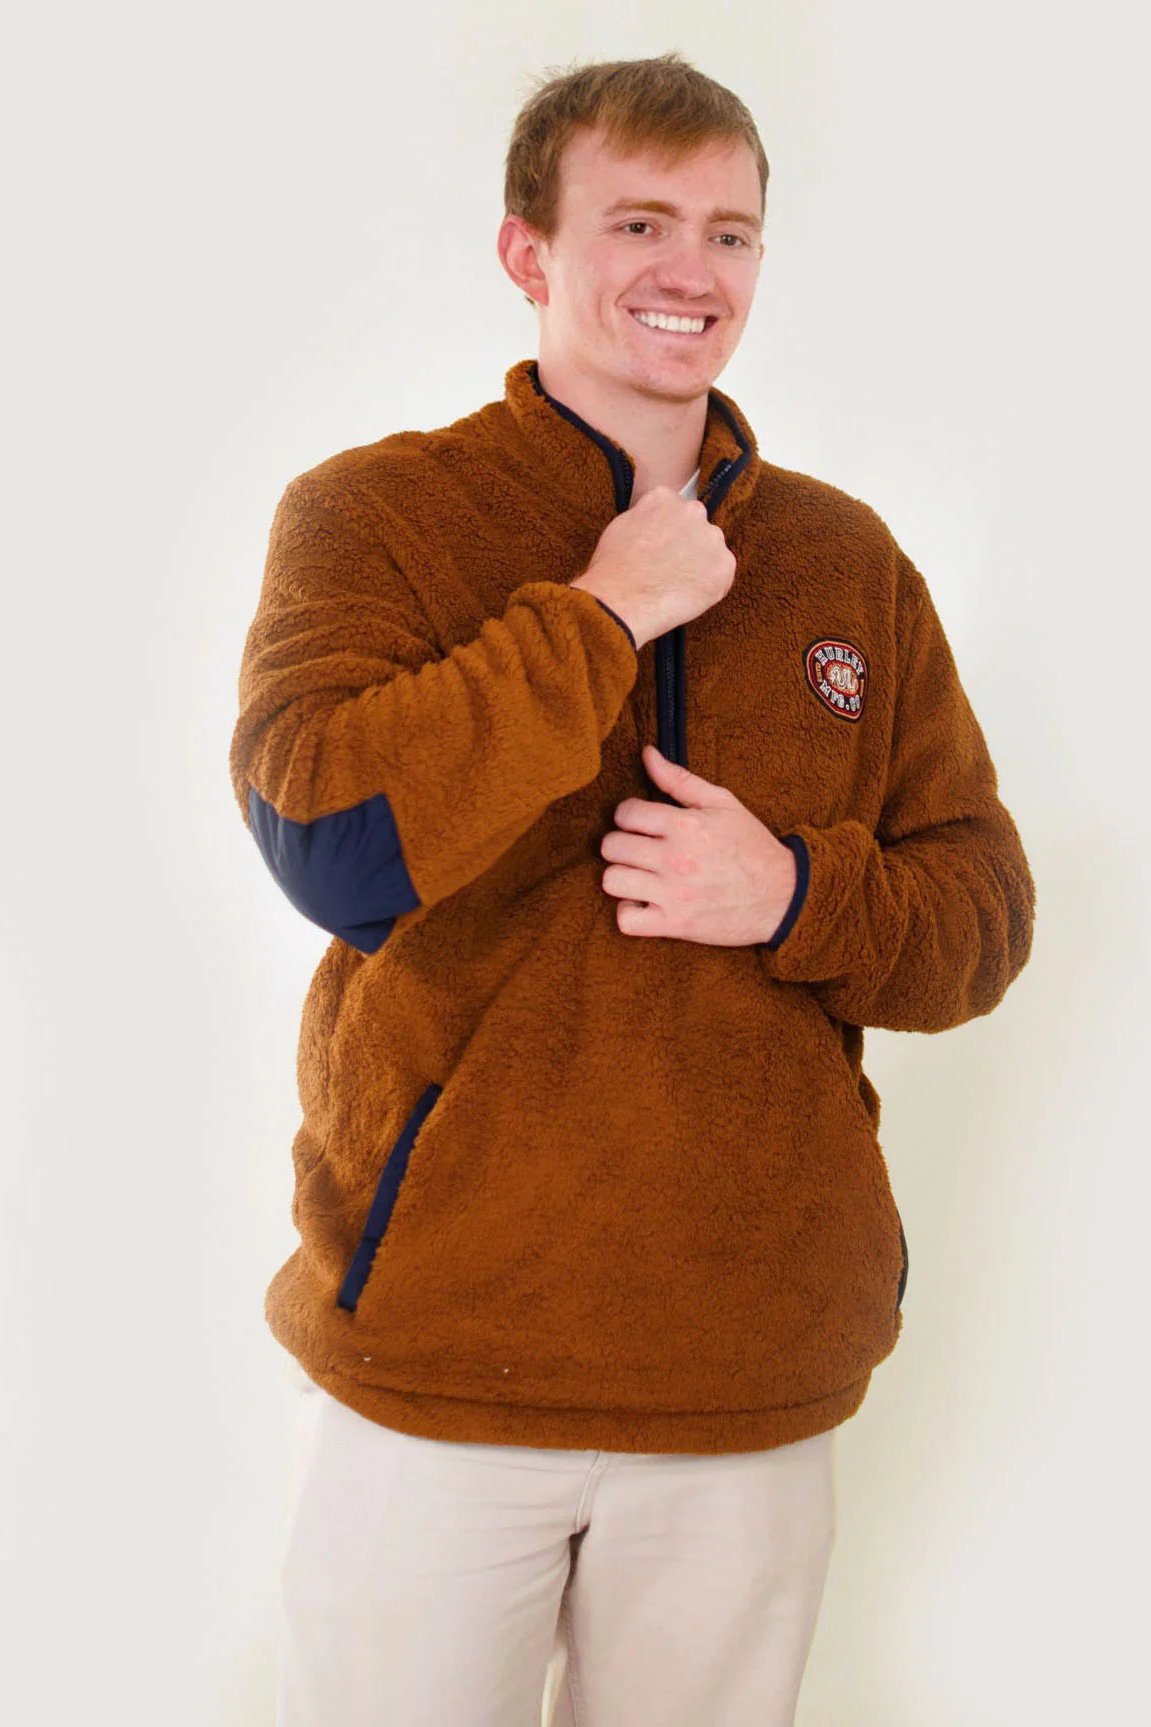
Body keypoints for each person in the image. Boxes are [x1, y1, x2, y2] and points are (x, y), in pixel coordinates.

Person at [228, 50, 1036, 1727]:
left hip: (749, 1375)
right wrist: (599, 617)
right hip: (438, 1373)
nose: (693, 271)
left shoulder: (846, 561)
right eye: (641, 223)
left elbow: (982, 922)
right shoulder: (377, 517)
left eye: (731, 234)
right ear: (527, 250)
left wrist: (792, 893)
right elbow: (331, 842)